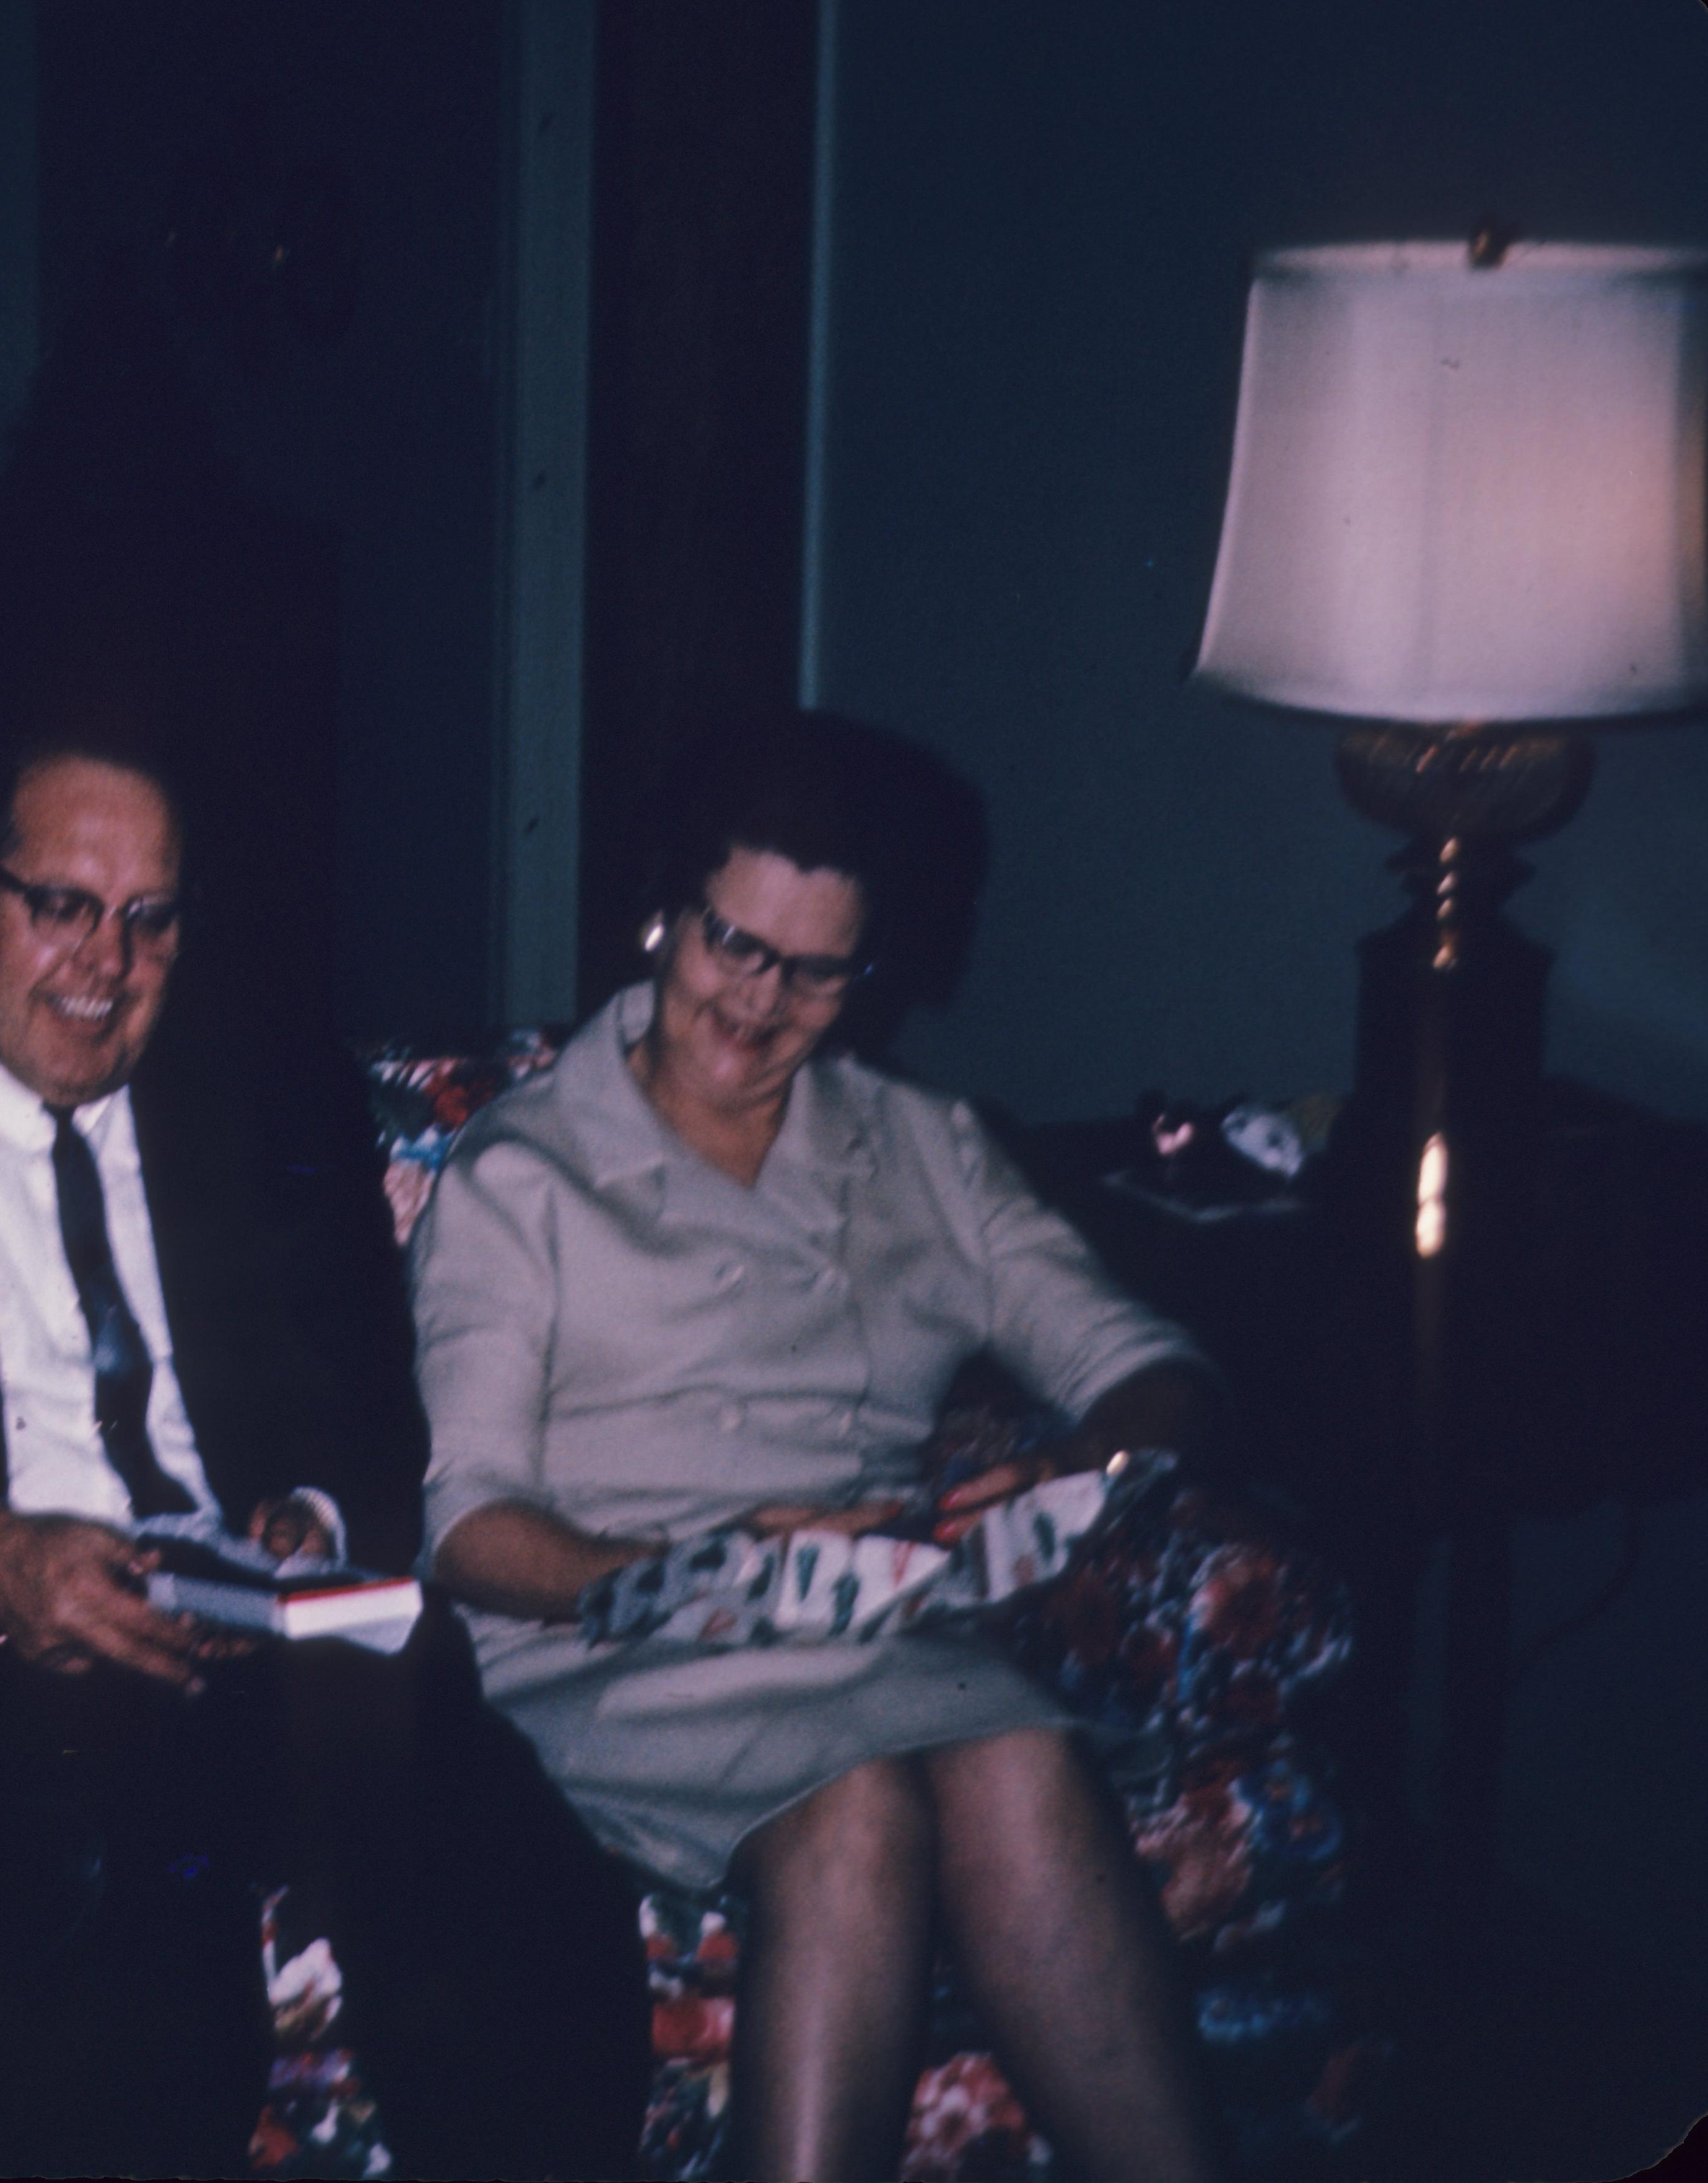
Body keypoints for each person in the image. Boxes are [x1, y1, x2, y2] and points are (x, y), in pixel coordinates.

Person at [0, 731, 653, 2178]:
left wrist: (306, 1516)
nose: (107, 963)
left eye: (151, 917)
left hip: (279, 1647)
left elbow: (373, 1395)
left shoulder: (269, 1088)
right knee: (132, 1944)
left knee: (517, 1901)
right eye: (62, 903)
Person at [411, 710, 1230, 2183]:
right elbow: (468, 1529)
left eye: (816, 969)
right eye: (733, 943)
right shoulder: (521, 1170)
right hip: (612, 1640)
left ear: (872, 975)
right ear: (665, 913)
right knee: (852, 1810)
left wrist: (1078, 1472)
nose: (759, 1000)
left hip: (875, 1631)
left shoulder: (927, 1146)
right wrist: (705, 1565)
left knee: (1023, 1753)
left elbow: (1147, 1366)